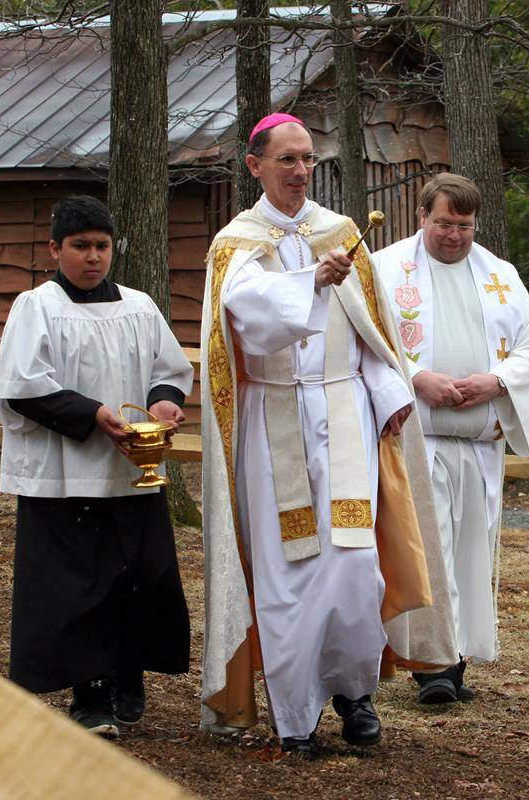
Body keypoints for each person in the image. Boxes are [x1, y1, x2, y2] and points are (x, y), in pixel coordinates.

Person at [198, 113, 456, 759]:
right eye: (286, 159)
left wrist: (391, 395)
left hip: (344, 416)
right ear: (254, 165)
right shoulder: (236, 245)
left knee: (352, 565)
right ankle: (295, 719)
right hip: (274, 419)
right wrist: (309, 280)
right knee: (289, 572)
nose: (300, 170)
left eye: (308, 158)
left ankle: (354, 696)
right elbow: (248, 313)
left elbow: (373, 336)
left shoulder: (339, 233)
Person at [0, 195, 194, 738]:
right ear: (56, 249)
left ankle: (128, 675)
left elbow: (167, 367)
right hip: (66, 471)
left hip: (132, 472)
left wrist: (165, 401)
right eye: (80, 246)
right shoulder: (38, 306)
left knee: (138, 577)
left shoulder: (139, 306)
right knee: (79, 584)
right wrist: (95, 414)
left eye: (101, 246)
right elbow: (22, 388)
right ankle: (89, 691)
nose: (93, 257)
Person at [372, 173, 529, 703]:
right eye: (444, 223)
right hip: (417, 442)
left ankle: (458, 660)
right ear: (422, 216)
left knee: (470, 555)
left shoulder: (501, 276)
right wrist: (417, 376)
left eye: (464, 226)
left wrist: (495, 381)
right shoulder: (385, 269)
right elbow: (369, 337)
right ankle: (433, 666)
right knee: (430, 550)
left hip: (477, 444)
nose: (454, 235)